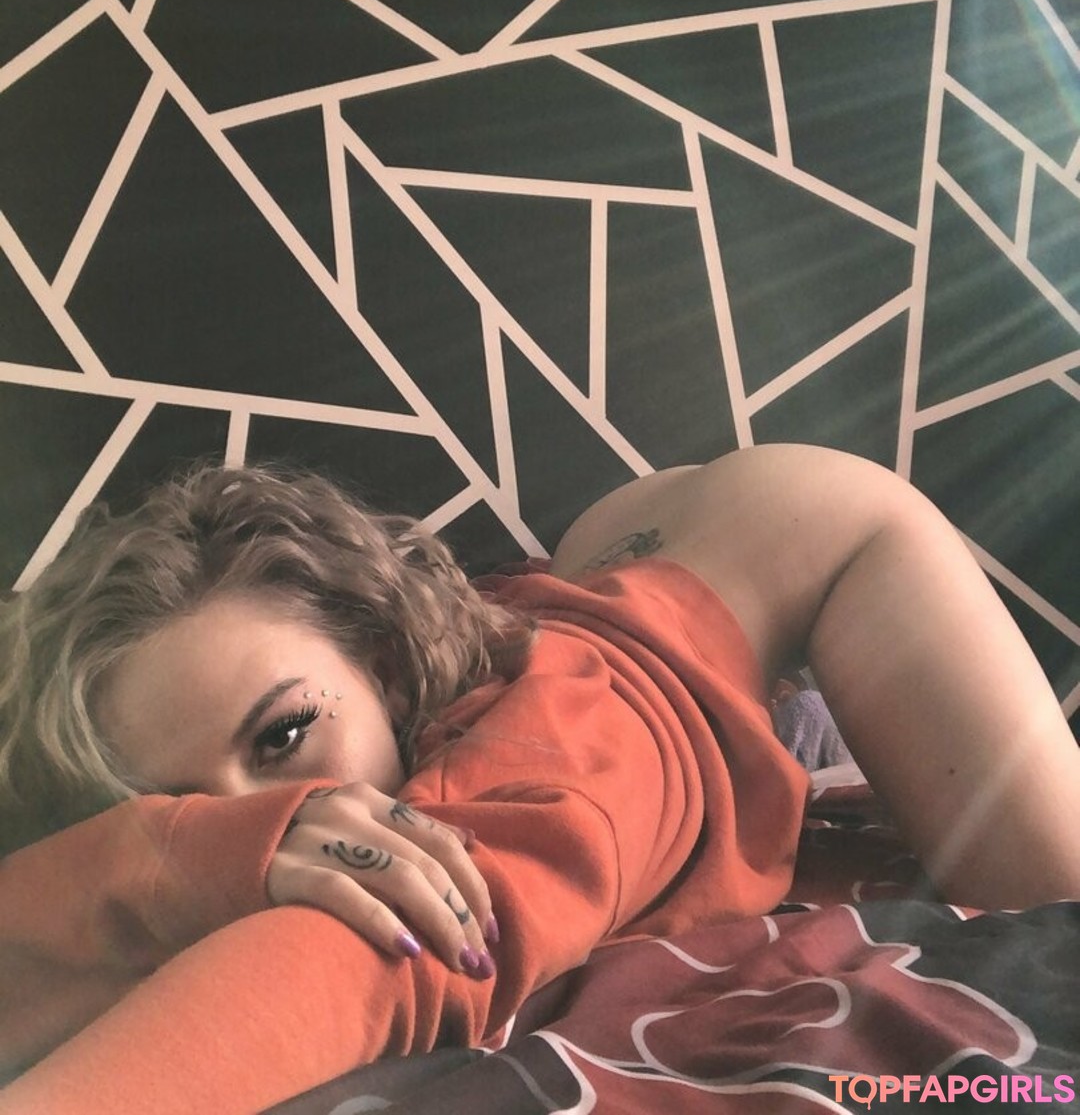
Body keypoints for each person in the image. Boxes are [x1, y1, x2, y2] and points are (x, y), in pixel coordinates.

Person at [1, 443, 1078, 1115]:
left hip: (824, 527)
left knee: (1058, 891)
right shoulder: (352, 712)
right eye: (181, 802)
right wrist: (163, 858)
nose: (274, 818)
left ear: (385, 664)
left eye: (283, 737)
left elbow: (392, 948)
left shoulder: (554, 758)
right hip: (604, 548)